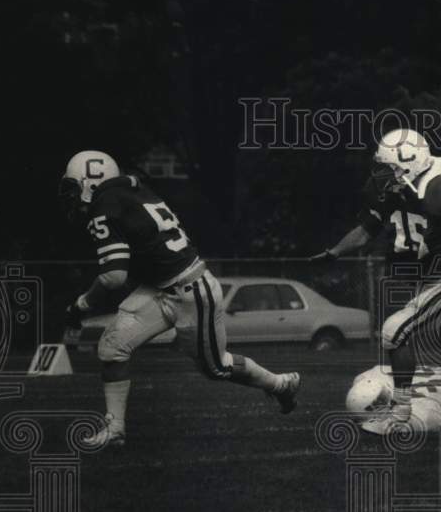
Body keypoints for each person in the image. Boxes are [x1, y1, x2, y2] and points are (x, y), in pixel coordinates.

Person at [61, 150, 300, 449]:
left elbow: (113, 277)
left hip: (190, 290)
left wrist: (81, 304)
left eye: (74, 187)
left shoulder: (105, 204)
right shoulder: (134, 190)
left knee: (216, 368)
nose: (71, 196)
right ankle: (115, 429)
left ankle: (281, 384)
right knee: (112, 346)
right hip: (161, 287)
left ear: (90, 182)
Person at [311, 129, 441, 432]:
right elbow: (366, 230)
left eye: (390, 167)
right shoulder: (392, 189)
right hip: (406, 269)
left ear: (411, 163)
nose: (383, 175)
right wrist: (335, 252)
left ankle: (410, 407)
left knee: (410, 334)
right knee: (436, 342)